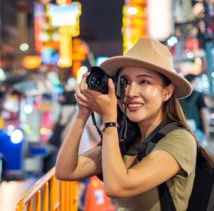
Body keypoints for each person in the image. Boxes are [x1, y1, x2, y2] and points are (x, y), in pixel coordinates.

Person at [55, 37, 201, 210]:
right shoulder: (129, 139)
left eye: (144, 81)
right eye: (125, 82)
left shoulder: (179, 140)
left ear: (167, 92)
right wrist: (83, 113)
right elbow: (65, 171)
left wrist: (110, 119)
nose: (131, 92)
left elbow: (117, 187)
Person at [179, 74, 209, 146]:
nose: (197, 83)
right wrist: (206, 129)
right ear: (192, 82)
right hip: (197, 128)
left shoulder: (179, 95)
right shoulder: (199, 95)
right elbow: (203, 113)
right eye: (196, 82)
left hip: (182, 127)